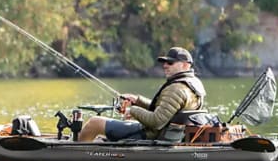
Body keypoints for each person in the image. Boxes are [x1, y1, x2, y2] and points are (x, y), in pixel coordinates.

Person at [77, 46, 206, 142]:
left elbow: (157, 121)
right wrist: (138, 100)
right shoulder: (193, 84)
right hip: (167, 133)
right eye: (164, 62)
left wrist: (132, 110)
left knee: (95, 123)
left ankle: (77, 155)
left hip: (150, 134)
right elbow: (166, 111)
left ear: (185, 65)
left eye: (170, 63)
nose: (165, 66)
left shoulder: (176, 89)